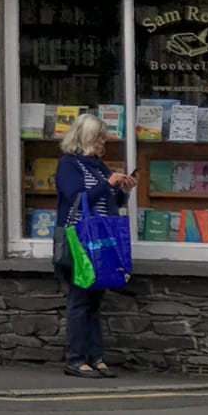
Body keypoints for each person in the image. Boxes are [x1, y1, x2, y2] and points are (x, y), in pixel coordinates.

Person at [54, 112, 136, 379]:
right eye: (100, 137)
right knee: (79, 300)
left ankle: (95, 356)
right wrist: (107, 183)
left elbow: (111, 202)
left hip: (101, 239)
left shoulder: (98, 165)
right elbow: (78, 198)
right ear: (87, 137)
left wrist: (124, 189)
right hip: (79, 240)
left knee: (94, 301)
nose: (105, 142)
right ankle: (76, 359)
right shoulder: (69, 165)